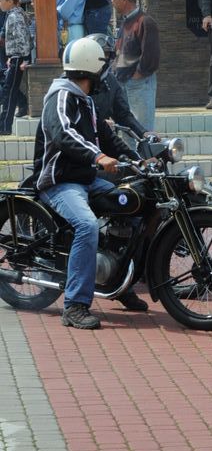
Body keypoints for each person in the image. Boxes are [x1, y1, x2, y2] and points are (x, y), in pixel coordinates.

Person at [34, 37, 148, 329]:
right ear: (90, 69)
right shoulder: (61, 96)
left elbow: (108, 139)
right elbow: (63, 134)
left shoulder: (86, 101)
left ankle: (119, 283)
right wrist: (98, 157)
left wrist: (138, 160)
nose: (104, 76)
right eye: (102, 69)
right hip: (59, 181)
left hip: (86, 179)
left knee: (132, 208)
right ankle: (74, 305)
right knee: (87, 225)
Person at [107, 0, 160, 132]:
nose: (112, 2)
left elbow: (151, 55)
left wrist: (138, 75)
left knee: (142, 130)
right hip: (124, 82)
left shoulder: (145, 22)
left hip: (138, 83)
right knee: (127, 131)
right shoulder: (127, 22)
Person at [88, 33, 157, 140]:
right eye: (100, 54)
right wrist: (97, 123)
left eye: (107, 54)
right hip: (77, 142)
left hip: (102, 140)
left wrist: (143, 132)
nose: (104, 59)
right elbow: (70, 120)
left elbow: (123, 114)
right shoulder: (71, 83)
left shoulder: (110, 81)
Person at [0, 0, 31, 135]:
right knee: (10, 90)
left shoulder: (14, 16)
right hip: (15, 57)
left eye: (1, 0)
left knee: (9, 92)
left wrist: (24, 58)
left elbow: (22, 38)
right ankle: (4, 125)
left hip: (19, 58)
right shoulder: (13, 14)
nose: (0, 3)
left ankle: (5, 126)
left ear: (10, 1)